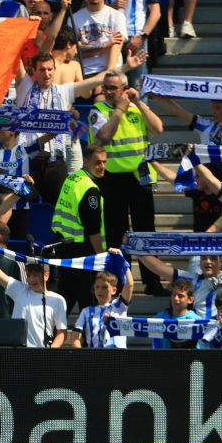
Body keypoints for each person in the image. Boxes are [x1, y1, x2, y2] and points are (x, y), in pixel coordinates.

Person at [87, 72, 163, 293]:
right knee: (115, 233)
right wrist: (119, 110)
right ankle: (119, 283)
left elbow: (158, 128)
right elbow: (104, 136)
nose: (109, 92)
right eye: (106, 87)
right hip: (111, 179)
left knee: (146, 232)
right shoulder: (98, 111)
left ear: (124, 88)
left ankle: (153, 282)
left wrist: (138, 102)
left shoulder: (136, 108)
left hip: (139, 178)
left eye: (113, 87)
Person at [0, 247, 67, 347]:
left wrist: (50, 352)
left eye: (35, 275)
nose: (30, 280)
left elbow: (62, 332)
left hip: (42, 355)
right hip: (17, 353)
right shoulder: (19, 290)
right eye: (28, 275)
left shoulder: (58, 300)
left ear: (46, 275)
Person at [50, 146, 108, 309]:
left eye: (104, 162)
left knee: (66, 297)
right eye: (97, 163)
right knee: (88, 302)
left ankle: (53, 333)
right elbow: (93, 230)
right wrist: (101, 258)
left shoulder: (73, 178)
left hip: (64, 245)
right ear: (86, 161)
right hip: (82, 253)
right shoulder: (90, 190)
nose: (102, 166)